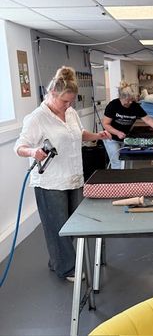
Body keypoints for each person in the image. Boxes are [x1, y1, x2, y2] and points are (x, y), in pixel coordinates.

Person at [14, 66, 111, 282]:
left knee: (73, 224)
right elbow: (19, 146)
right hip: (50, 182)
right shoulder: (36, 118)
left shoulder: (71, 113)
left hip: (74, 177)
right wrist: (33, 152)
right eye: (64, 101)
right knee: (57, 226)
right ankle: (66, 268)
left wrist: (98, 135)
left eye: (70, 102)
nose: (68, 105)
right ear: (52, 94)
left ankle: (57, 259)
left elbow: (78, 134)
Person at [102, 82, 153, 169]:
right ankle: (118, 182)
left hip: (125, 139)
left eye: (131, 100)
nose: (129, 102)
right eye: (127, 100)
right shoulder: (113, 105)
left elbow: (147, 119)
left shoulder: (135, 106)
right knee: (117, 163)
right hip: (111, 138)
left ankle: (127, 181)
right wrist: (117, 132)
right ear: (121, 98)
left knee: (127, 162)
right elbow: (105, 124)